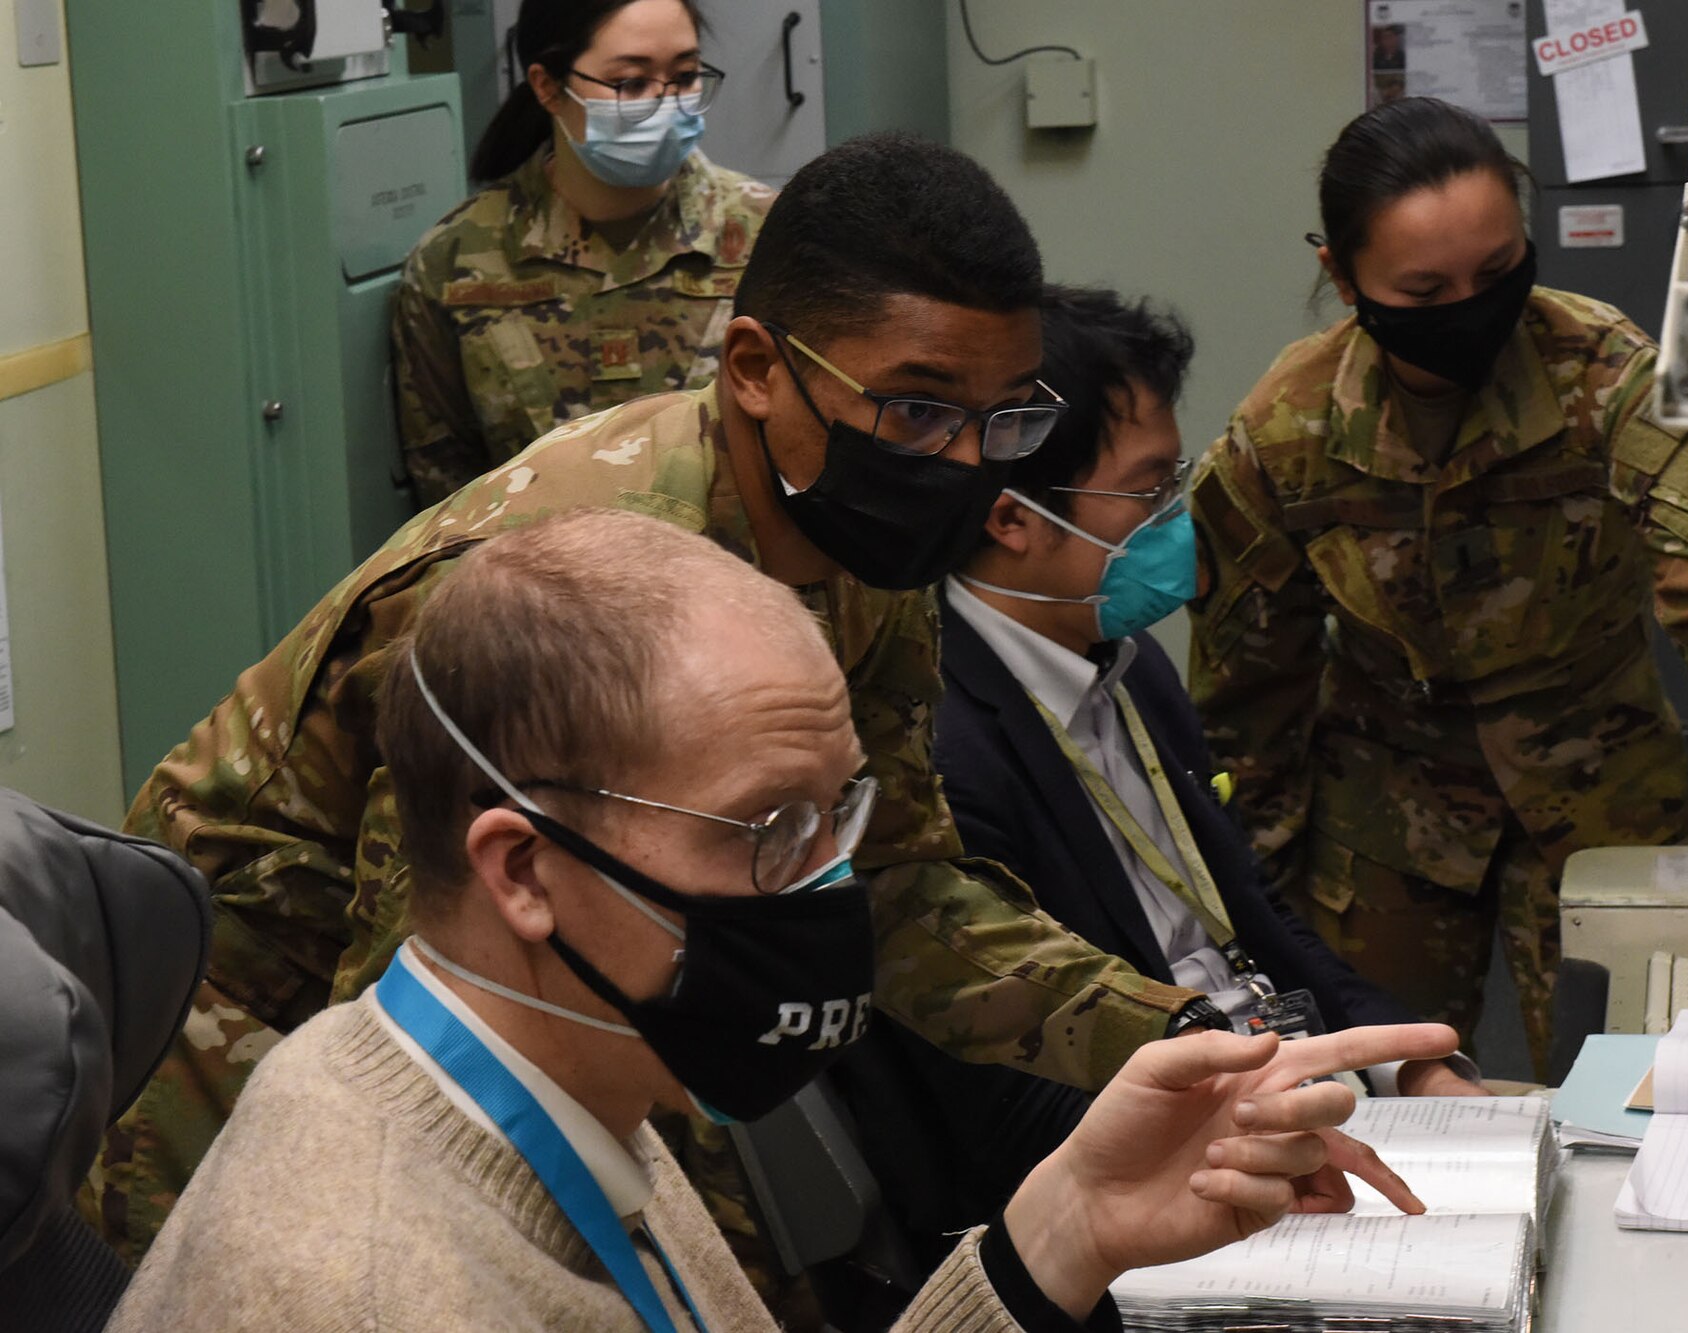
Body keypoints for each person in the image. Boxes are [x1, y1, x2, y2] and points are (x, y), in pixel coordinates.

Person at [90, 132, 1220, 1269]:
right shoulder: (570, 591)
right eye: (918, 412)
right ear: (754, 369)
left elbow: (890, 891)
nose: (967, 465)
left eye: (1005, 420)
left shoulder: (858, 535)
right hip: (241, 994)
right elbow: (445, 1017)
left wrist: (1181, 1034)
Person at [103, 509, 1458, 1332]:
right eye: (771, 834)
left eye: (839, 815)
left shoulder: (555, 1082)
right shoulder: (371, 1285)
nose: (828, 886)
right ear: (522, 870)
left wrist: (1069, 1226)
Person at [1188, 98, 1688, 1077]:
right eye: (1424, 290)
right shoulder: (1285, 431)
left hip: (1596, 784)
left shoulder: (1610, 380)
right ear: (1340, 277)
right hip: (1384, 811)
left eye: (1497, 272)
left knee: (1624, 1081)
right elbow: (1247, 681)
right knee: (1383, 1089)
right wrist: (1241, 895)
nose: (1469, 307)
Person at [844, 285, 1486, 1242]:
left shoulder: (1127, 671)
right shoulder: (939, 756)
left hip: (1285, 1103)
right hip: (1167, 1185)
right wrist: (1262, 1130)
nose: (1176, 518)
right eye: (1148, 492)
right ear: (1010, 519)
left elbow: (1257, 929)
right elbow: (1008, 1115)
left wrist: (1413, 1071)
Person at [393, 0, 775, 505]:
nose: (665, 104)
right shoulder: (456, 262)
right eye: (630, 84)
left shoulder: (767, 234)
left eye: (684, 77)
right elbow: (444, 487)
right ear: (549, 86)